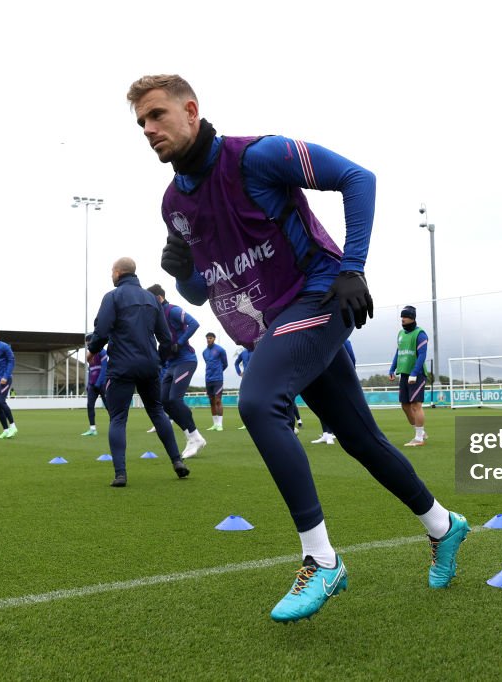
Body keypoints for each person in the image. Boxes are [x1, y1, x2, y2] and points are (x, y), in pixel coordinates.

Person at [128, 74, 469, 622]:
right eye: (140, 123)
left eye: (156, 115)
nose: (148, 129)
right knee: (360, 438)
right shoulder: (173, 204)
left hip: (322, 295)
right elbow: (201, 289)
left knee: (259, 403)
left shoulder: (259, 157)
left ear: (190, 110)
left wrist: (353, 267)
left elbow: (359, 178)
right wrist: (183, 270)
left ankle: (322, 559)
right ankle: (443, 525)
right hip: (277, 326)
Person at [87, 257, 190, 487]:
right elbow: (165, 338)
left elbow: (101, 330)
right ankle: (177, 461)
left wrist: (92, 350)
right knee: (157, 412)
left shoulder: (112, 297)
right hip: (149, 366)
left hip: (122, 367)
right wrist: (158, 361)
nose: (110, 275)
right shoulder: (151, 299)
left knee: (118, 418)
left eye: (111, 271)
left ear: (118, 272)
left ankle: (121, 474)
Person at [147, 284, 207, 459]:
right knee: (164, 401)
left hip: (186, 360)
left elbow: (194, 324)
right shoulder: (155, 317)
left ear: (159, 298)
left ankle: (194, 437)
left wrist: (179, 343)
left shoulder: (172, 310)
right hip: (171, 364)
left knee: (174, 398)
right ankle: (193, 437)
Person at [388, 306, 429, 446]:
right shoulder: (400, 333)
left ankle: (419, 438)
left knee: (416, 405)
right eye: (401, 317)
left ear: (412, 317)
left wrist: (414, 373)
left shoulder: (420, 334)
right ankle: (420, 432)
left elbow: (422, 355)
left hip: (417, 375)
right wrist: (392, 369)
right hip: (404, 374)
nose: (402, 319)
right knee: (405, 405)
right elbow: (398, 353)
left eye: (405, 316)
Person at [311, 339, 356, 445]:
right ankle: (326, 434)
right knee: (321, 405)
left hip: (337, 376)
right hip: (322, 375)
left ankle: (332, 434)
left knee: (335, 406)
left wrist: (350, 374)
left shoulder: (344, 341)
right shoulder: (321, 340)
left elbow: (352, 358)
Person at [81, 336, 108, 436]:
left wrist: (98, 383)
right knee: (90, 405)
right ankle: (92, 429)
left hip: (102, 384)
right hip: (93, 385)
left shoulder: (102, 352)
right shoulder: (90, 355)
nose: (87, 344)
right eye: (86, 343)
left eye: (89, 342)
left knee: (108, 406)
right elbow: (91, 371)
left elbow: (104, 369)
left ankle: (116, 426)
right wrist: (89, 384)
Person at [202, 332, 229, 430]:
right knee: (211, 401)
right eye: (207, 338)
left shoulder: (220, 350)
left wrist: (218, 372)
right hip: (208, 379)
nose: (209, 339)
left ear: (214, 339)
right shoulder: (204, 352)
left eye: (210, 338)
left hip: (218, 379)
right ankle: (215, 424)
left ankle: (220, 425)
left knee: (218, 400)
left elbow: (225, 364)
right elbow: (207, 363)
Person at [234, 348, 253, 430]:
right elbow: (236, 363)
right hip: (245, 379)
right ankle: (247, 423)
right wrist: (239, 372)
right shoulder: (243, 353)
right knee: (244, 400)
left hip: (257, 378)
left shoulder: (259, 350)